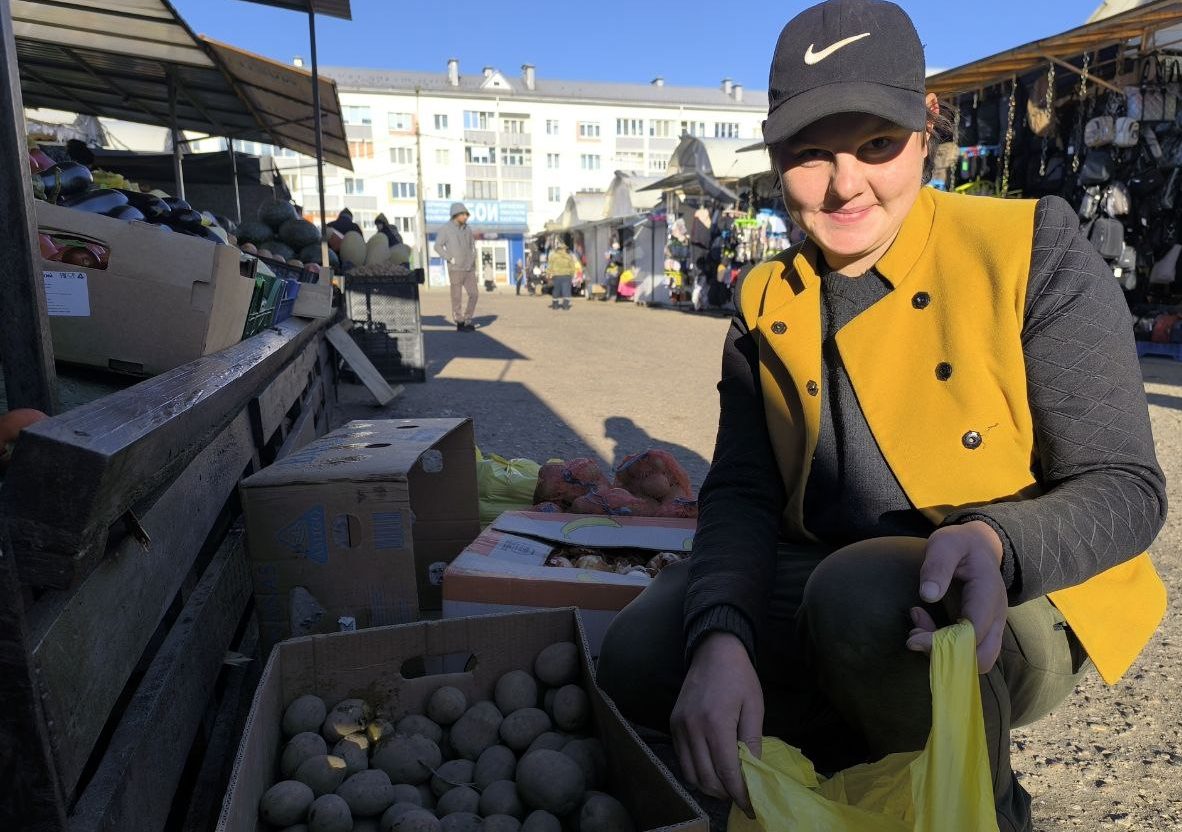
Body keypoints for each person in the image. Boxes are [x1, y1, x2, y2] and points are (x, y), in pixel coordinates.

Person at [595, 2, 1168, 831]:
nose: (844, 184)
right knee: (644, 654)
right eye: (809, 154)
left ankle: (983, 806)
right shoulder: (762, 299)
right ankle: (853, 759)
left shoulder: (1031, 248)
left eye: (876, 146)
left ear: (928, 125)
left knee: (867, 599)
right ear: (773, 151)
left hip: (1014, 591)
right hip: (829, 570)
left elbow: (1126, 487)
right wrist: (721, 637)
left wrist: (1001, 544)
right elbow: (742, 496)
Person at [433, 203, 478, 331]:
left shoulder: (467, 229)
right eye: (463, 214)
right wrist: (449, 258)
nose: (465, 217)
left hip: (469, 268)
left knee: (474, 294)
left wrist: (473, 257)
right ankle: (459, 322)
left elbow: (472, 246)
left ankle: (468, 319)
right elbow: (437, 246)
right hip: (455, 269)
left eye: (466, 214)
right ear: (455, 214)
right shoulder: (445, 229)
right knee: (457, 297)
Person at [546, 242, 578, 310]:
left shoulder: (553, 256)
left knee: (556, 290)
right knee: (566, 290)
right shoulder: (569, 256)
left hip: (556, 275)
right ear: (564, 249)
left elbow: (549, 266)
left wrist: (548, 274)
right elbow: (572, 267)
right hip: (567, 275)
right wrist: (572, 275)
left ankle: (555, 306)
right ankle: (565, 306)